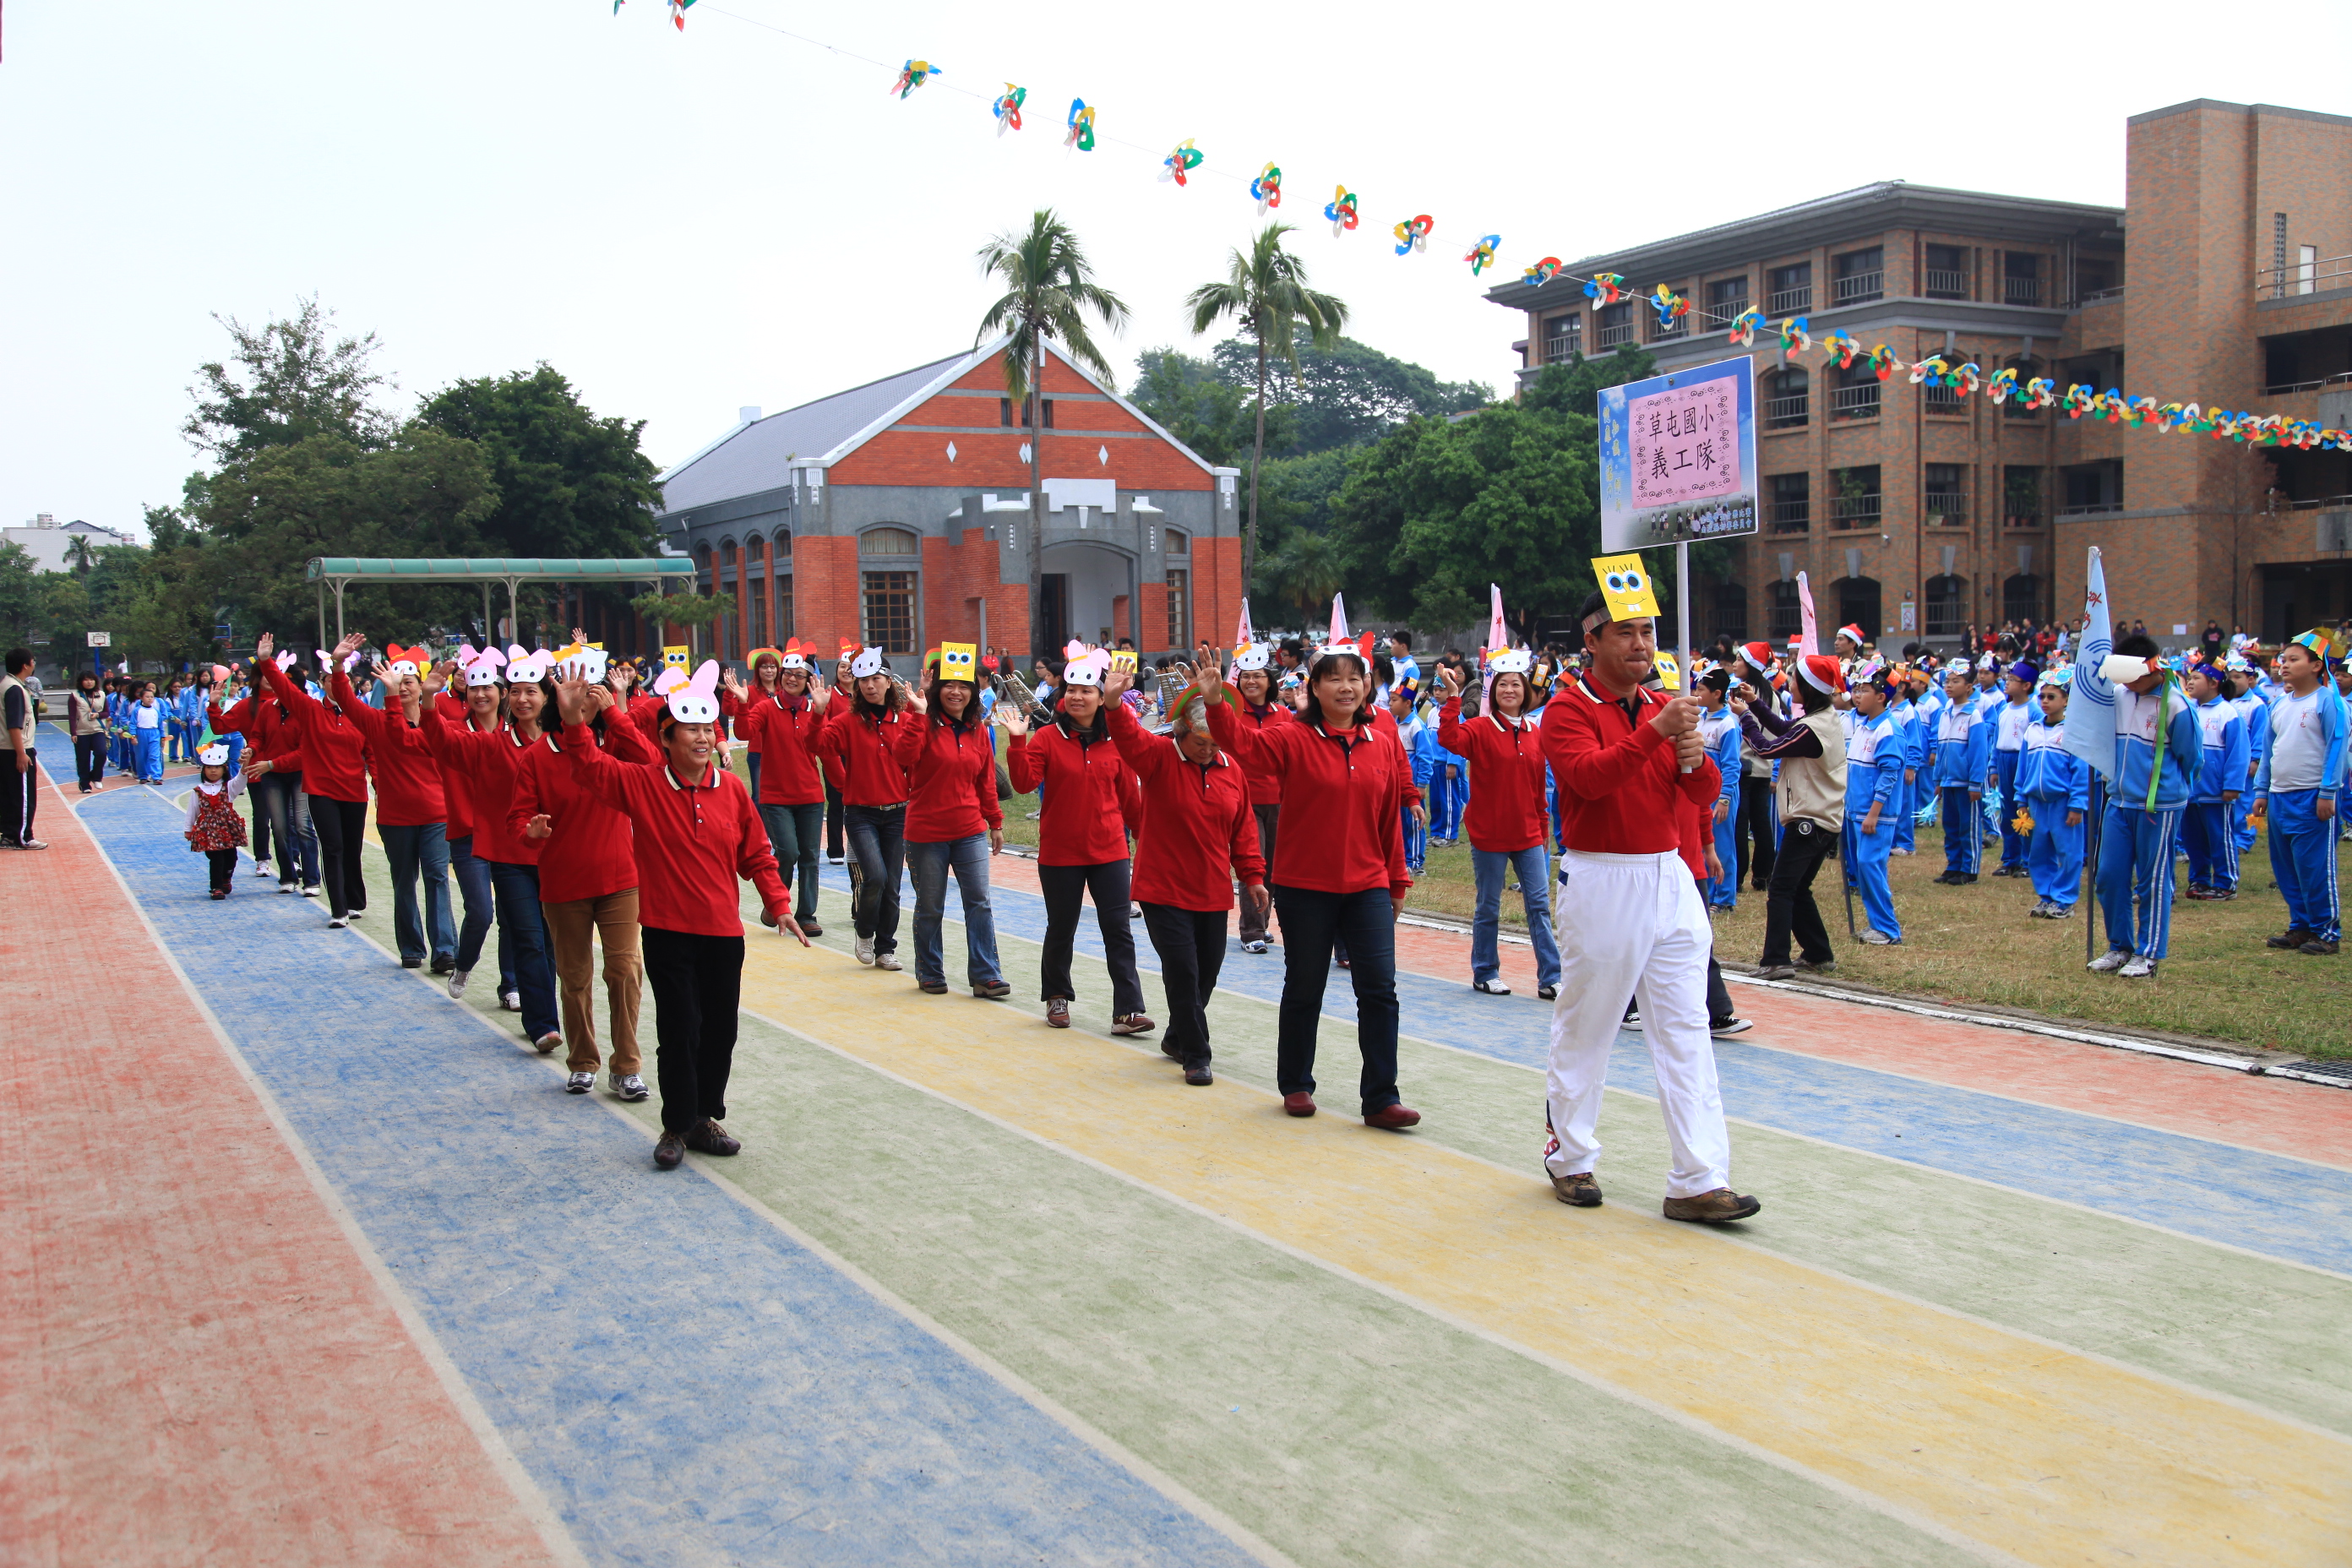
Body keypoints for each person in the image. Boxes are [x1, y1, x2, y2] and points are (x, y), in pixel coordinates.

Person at [1540, 590, 1756, 1223]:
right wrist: (1656, 734)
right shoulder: (1567, 708)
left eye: (1648, 632)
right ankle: (1570, 1158)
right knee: (1589, 1025)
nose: (1641, 644)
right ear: (1592, 641)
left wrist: (1696, 759)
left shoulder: (1665, 707)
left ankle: (1699, 1177)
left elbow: (1702, 793)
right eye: (1626, 632)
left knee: (1686, 1028)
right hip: (1603, 876)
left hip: (1670, 876)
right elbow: (1589, 779)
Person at [553, 662, 804, 1168]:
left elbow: (757, 854)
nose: (702, 737)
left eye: (708, 728)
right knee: (679, 1028)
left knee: (720, 1031)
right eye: (689, 729)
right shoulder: (642, 783)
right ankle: (676, 1124)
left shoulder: (732, 790)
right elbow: (591, 767)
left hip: (723, 934)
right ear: (665, 738)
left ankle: (703, 1118)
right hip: (668, 932)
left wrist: (778, 903)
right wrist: (576, 721)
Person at [1201, 644, 1418, 1130]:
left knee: (1380, 991)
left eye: (1354, 678)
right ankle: (1296, 1084)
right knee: (1305, 986)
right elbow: (1243, 745)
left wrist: (1396, 881)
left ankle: (1382, 1097)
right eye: (1334, 679)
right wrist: (1216, 702)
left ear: (1367, 687)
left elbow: (1389, 820)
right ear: (1314, 688)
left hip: (1368, 886)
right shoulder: (1292, 738)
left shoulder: (1381, 742)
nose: (1346, 687)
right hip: (1305, 887)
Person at [514, 650, 656, 1099]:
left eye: (593, 691)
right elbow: (517, 821)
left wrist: (616, 713)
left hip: (620, 879)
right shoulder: (536, 757)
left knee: (625, 969)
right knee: (574, 978)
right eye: (576, 692)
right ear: (558, 701)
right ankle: (582, 1060)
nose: (585, 698)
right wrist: (532, 833)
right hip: (564, 884)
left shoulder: (612, 744)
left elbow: (653, 763)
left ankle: (627, 1066)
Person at [423, 644, 564, 1048]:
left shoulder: (563, 744)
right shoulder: (492, 745)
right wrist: (428, 700)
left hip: (558, 858)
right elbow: (443, 744)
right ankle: (543, 1025)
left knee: (553, 943)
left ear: (547, 697)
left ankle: (551, 1013)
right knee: (528, 938)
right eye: (515, 691)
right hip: (510, 859)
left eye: (531, 691)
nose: (522, 699)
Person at [1007, 646, 1149, 1031]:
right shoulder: (1046, 738)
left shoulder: (1117, 741)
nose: (1077, 696)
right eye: (1071, 689)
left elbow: (1130, 798)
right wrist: (1018, 742)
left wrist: (1142, 836)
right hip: (1060, 853)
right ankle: (1056, 997)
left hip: (1110, 851)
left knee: (1118, 929)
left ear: (1103, 698)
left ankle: (1128, 1009)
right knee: (1061, 927)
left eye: (1086, 691)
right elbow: (1024, 784)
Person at [1436, 653, 1562, 999]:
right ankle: (1486, 971)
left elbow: (1538, 788)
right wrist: (1453, 696)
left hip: (1529, 834)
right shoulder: (1480, 728)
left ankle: (1551, 977)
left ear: (1526, 691)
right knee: (1488, 906)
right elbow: (1448, 739)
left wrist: (1542, 828)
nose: (1509, 690)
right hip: (1489, 835)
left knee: (1539, 906)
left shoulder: (1536, 733)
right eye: (1503, 684)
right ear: (1493, 692)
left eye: (1516, 684)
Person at [894, 648, 1010, 999]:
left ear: (973, 691)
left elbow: (985, 780)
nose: (956, 692)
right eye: (948, 685)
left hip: (969, 831)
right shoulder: (921, 723)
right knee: (931, 905)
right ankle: (930, 972)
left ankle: (986, 975)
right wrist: (919, 713)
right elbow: (903, 756)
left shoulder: (978, 730)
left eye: (963, 686)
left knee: (979, 902)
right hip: (926, 833)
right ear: (937, 689)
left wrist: (995, 821)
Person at [331, 648, 455, 972]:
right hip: (396, 818)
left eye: (409, 681)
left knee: (437, 877)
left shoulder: (437, 723)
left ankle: (444, 949)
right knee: (404, 881)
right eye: (396, 682)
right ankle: (411, 948)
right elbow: (344, 699)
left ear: (421, 685)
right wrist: (338, 664)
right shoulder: (376, 721)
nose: (402, 687)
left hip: (436, 815)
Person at [2088, 636, 2204, 979]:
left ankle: (2148, 953)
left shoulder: (2176, 706)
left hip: (2159, 807)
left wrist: (2172, 791)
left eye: (2133, 677)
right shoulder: (2118, 696)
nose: (2127, 684)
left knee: (2153, 881)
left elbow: (2191, 758)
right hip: (2118, 801)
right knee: (2109, 875)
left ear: (2151, 669)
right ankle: (2119, 946)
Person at [1736, 653, 1848, 980]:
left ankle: (1776, 960)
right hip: (1821, 819)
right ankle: (1818, 953)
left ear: (1809, 687)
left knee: (1781, 889)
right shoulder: (1822, 719)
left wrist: (1745, 718)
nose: (1791, 685)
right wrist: (1755, 704)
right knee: (1798, 889)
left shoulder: (1814, 729)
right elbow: (1784, 729)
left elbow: (1767, 749)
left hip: (1809, 820)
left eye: (1796, 680)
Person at [256, 636, 371, 928]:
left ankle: (354, 900)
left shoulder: (361, 714)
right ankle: (338, 909)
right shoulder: (310, 710)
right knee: (333, 847)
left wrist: (380, 786)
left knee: (352, 849)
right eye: (330, 680)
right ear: (322, 683)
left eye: (342, 680)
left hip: (355, 791)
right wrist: (266, 662)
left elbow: (373, 753)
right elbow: (284, 688)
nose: (337, 684)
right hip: (322, 791)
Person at [426, 647, 513, 1004]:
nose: (480, 694)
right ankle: (463, 965)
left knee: (512, 915)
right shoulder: (455, 732)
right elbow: (431, 732)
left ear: (502, 693)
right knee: (480, 911)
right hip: (469, 836)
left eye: (488, 687)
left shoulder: (516, 734)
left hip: (510, 836)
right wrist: (427, 697)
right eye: (474, 688)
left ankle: (511, 986)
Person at [2254, 633, 2346, 956]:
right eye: (2283, 660)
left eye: (2294, 660)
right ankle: (2301, 925)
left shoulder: (2328, 701)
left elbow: (2337, 747)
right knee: (2286, 867)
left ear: (2316, 665)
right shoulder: (2279, 703)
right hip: (2280, 796)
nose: (2284, 665)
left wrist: (2327, 792)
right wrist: (2262, 790)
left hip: (2312, 797)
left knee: (2314, 867)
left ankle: (2327, 931)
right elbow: (2269, 750)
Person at [735, 640, 834, 938]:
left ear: (808, 680)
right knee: (788, 852)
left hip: (810, 796)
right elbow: (744, 731)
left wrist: (819, 712)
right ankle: (777, 904)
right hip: (775, 797)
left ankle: (807, 914)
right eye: (787, 673)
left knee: (810, 857)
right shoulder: (766, 708)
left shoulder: (815, 709)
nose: (792, 679)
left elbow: (822, 747)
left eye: (799, 675)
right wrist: (743, 704)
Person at [824, 647, 913, 972]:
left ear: (889, 682)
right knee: (875, 876)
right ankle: (864, 931)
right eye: (863, 680)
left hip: (897, 813)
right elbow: (819, 746)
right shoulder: (848, 721)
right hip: (861, 813)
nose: (870, 685)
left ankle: (885, 948)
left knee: (893, 885)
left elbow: (920, 759)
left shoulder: (905, 721)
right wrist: (817, 713)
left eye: (876, 679)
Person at [212, 655, 320, 896]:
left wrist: (270, 763)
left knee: (302, 825)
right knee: (278, 827)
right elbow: (257, 736)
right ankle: (287, 876)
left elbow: (305, 751)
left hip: (299, 773)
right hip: (271, 775)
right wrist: (251, 749)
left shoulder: (307, 710)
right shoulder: (266, 708)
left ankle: (312, 880)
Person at [1226, 645, 1290, 953]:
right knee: (1254, 864)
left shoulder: (1285, 715)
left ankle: (1262, 924)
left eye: (1258, 676)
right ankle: (1250, 931)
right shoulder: (1232, 714)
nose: (1251, 681)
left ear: (1270, 680)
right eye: (1245, 676)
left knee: (1274, 867)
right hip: (1245, 800)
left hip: (1280, 801)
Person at [1840, 666, 1904, 945]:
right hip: (1856, 811)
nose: (1857, 695)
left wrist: (1873, 813)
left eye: (1864, 691)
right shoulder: (1863, 726)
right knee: (1863, 868)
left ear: (1880, 697)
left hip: (1875, 815)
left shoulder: (1889, 730)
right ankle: (1876, 924)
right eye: (1856, 690)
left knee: (1870, 865)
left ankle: (1888, 929)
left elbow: (1889, 775)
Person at [2019, 673, 2088, 918]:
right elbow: (2023, 767)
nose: (2045, 701)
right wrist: (2021, 799)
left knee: (2069, 853)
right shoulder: (2033, 730)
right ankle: (2046, 896)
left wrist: (2077, 804)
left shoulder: (2073, 731)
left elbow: (2080, 771)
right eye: (2042, 697)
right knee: (2039, 852)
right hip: (2036, 803)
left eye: (2051, 697)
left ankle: (2064, 899)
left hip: (2063, 803)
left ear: (2066, 700)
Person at [2180, 662, 2249, 901]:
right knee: (2193, 840)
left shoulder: (2228, 713)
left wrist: (2232, 785)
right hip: (2190, 792)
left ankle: (2225, 883)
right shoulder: (2189, 711)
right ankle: (2199, 880)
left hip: (2216, 792)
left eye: (2196, 678)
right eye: (2189, 678)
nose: (2190, 682)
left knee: (2220, 838)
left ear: (2213, 683)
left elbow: (2238, 753)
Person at [183, 743, 270, 896]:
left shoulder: (229, 787)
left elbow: (241, 779)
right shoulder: (198, 790)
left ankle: (226, 878)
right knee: (216, 858)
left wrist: (245, 764)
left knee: (231, 857)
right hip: (209, 831)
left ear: (224, 769)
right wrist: (188, 830)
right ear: (204, 770)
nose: (213, 771)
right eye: (209, 767)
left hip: (227, 829)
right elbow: (192, 811)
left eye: (217, 767)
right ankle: (216, 887)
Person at [1931, 665, 1989, 885]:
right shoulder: (1945, 714)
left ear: (1969, 687)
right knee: (1951, 825)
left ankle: (1969, 869)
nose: (1949, 685)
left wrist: (1975, 783)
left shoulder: (1973, 715)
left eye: (1955, 681)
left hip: (1966, 783)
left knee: (1969, 825)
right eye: (1947, 681)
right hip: (1948, 781)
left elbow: (1979, 751)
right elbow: (1941, 748)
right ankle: (1953, 865)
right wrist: (1938, 779)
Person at [1693, 670, 1743, 912]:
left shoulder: (1728, 723)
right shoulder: (1700, 718)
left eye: (1701, 690)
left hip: (1721, 795)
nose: (1696, 693)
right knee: (1705, 843)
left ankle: (1724, 898)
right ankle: (1709, 893)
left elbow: (1732, 765)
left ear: (1717, 694)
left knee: (1722, 845)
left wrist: (1725, 798)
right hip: (1703, 793)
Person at [1988, 662, 2037, 876]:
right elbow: (1997, 740)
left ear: (2026, 685)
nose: (2007, 683)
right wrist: (1994, 766)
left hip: (2022, 761)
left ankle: (2028, 860)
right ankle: (2010, 859)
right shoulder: (2004, 709)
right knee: (2007, 811)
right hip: (2004, 760)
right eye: (2007, 678)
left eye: (2012, 680)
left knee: (2023, 811)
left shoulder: (2033, 711)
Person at [0, 649, 44, 851]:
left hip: (5, 749)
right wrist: (21, 753)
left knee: (8, 795)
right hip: (17, 749)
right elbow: (14, 725)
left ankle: (9, 835)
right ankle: (23, 837)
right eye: (33, 661)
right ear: (25, 665)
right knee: (23, 796)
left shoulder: (6, 684)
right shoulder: (15, 689)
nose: (34, 664)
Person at [66, 672, 107, 794]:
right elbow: (72, 716)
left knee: (101, 753)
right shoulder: (75, 696)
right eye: (86, 680)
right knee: (83, 759)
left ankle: (96, 776)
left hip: (97, 729)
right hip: (81, 731)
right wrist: (73, 733)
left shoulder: (101, 694)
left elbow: (107, 712)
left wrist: (98, 715)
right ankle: (84, 784)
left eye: (92, 679)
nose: (89, 682)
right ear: (81, 682)